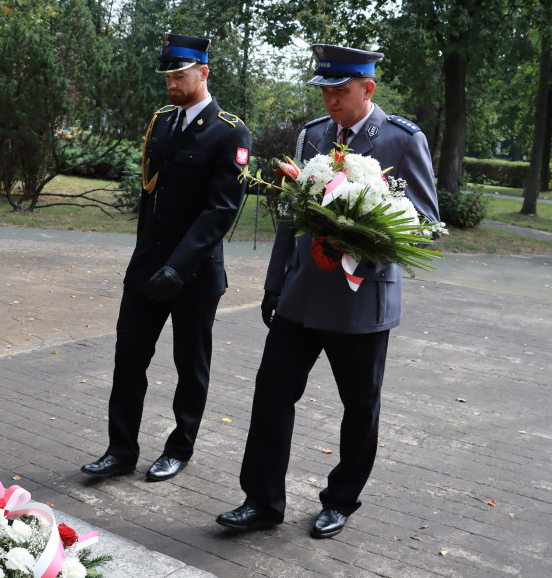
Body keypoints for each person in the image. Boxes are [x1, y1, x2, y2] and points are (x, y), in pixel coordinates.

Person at [216, 44, 439, 538]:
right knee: (272, 392)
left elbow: (427, 223)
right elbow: (291, 218)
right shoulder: (314, 136)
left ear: (368, 88)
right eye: (325, 90)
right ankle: (261, 500)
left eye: (340, 91)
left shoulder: (403, 140)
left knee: (359, 407)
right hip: (302, 295)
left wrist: (364, 231)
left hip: (362, 301)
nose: (331, 100)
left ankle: (340, 499)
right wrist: (274, 285)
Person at [82, 32, 251, 482]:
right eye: (168, 76)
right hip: (147, 269)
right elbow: (149, 198)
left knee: (189, 367)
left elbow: (221, 210)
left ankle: (180, 447)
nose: (172, 84)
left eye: (180, 75)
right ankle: (120, 450)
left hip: (193, 275)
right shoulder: (161, 122)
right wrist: (146, 260)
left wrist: (179, 266)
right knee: (128, 359)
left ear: (203, 72)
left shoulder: (230, 131)